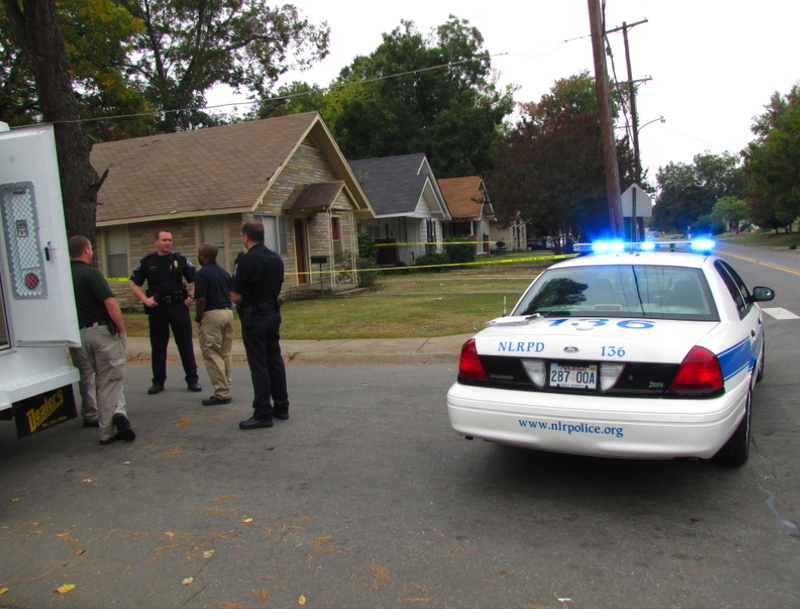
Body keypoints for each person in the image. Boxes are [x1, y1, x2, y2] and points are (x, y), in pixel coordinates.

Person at [68, 236, 135, 446]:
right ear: (86, 249)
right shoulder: (91, 274)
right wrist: (121, 328)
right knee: (109, 379)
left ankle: (119, 413)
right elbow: (110, 302)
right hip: (101, 332)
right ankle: (107, 431)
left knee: (101, 375)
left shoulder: (63, 277)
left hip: (80, 334)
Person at [230, 221, 289, 429]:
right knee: (274, 360)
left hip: (254, 317)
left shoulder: (245, 261)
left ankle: (263, 412)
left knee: (259, 364)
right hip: (273, 314)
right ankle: (281, 406)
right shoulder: (276, 258)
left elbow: (235, 296)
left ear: (246, 237)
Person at [130, 230, 201, 394]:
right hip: (158, 308)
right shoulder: (148, 262)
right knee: (158, 345)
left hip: (178, 306)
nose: (168, 243)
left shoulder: (179, 260)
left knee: (185, 344)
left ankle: (192, 380)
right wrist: (145, 300)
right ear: (156, 242)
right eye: (164, 240)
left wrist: (191, 297)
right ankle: (158, 382)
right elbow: (134, 284)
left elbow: (196, 278)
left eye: (170, 240)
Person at [194, 242, 234, 406]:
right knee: (226, 352)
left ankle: (221, 393)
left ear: (203, 256)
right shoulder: (224, 273)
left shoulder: (202, 274)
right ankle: (226, 384)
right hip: (227, 313)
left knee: (212, 353)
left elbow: (201, 299)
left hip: (211, 314)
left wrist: (199, 317)